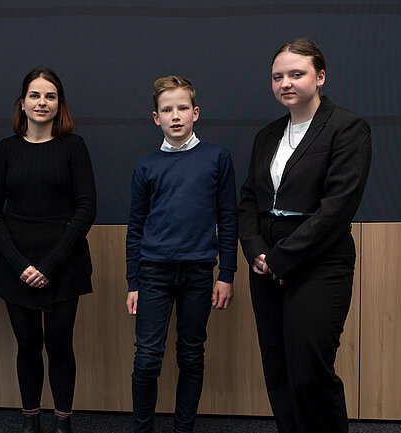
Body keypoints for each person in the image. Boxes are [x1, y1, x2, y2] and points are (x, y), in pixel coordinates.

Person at [238, 39, 372, 433]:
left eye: (297, 74)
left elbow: (338, 208)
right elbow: (249, 200)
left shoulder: (347, 128)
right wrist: (258, 253)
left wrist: (283, 258)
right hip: (266, 260)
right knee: (277, 369)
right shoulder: (267, 135)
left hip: (319, 260)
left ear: (320, 77)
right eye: (278, 76)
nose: (286, 83)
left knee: (309, 370)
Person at [0, 67, 96, 433]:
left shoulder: (73, 146)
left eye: (50, 96)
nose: (42, 102)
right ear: (23, 102)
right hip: (16, 263)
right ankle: (31, 423)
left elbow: (86, 208)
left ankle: (63, 423)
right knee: (27, 345)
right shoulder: (6, 149)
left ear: (59, 103)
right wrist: (19, 264)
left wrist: (49, 264)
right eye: (35, 95)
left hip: (64, 263)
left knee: (60, 344)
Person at [126, 76, 238, 433]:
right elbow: (135, 227)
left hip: (199, 273)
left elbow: (228, 219)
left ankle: (183, 428)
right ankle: (142, 429)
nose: (176, 116)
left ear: (195, 112)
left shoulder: (217, 159)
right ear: (155, 118)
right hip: (153, 274)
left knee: (191, 354)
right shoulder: (146, 167)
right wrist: (133, 281)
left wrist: (227, 274)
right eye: (167, 110)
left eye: (182, 108)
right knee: (147, 359)